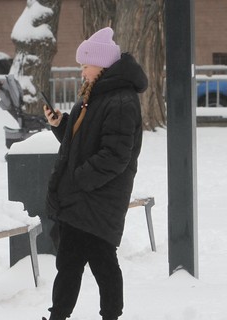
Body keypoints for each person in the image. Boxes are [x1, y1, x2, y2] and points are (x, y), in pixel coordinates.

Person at [41, 27, 148, 320]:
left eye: (85, 66)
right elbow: (82, 143)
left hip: (98, 198)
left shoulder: (121, 101)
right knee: (72, 262)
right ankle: (62, 316)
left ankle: (103, 315)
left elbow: (115, 155)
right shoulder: (95, 97)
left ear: (101, 65)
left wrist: (78, 180)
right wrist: (61, 125)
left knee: (99, 262)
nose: (82, 72)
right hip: (85, 199)